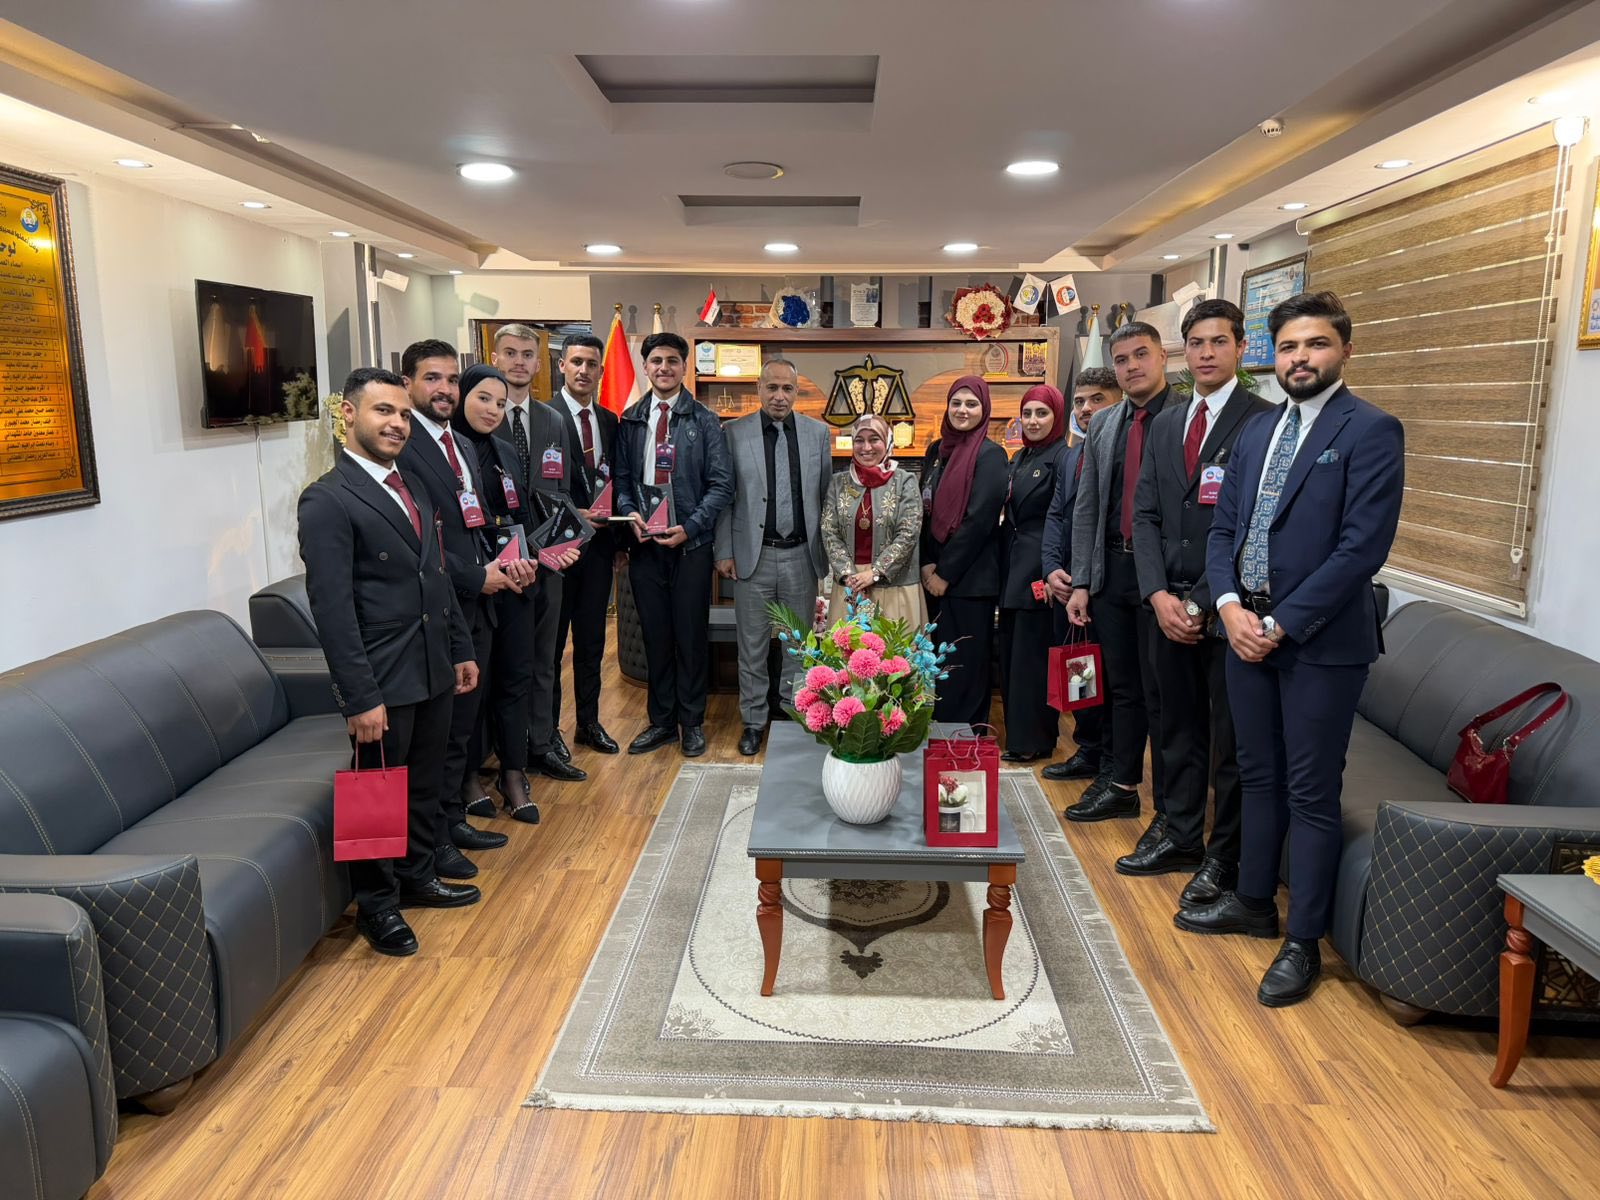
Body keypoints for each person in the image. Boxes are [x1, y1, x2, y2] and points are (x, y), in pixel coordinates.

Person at [1179, 291, 1404, 1009]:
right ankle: (1253, 901)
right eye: (1288, 347)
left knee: (1310, 791)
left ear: (1345, 351)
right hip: (1242, 632)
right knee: (1256, 774)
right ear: (1270, 357)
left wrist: (1278, 623)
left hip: (1319, 644)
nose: (1301, 358)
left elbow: (1360, 551)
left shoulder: (1371, 430)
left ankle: (1303, 940)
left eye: (1316, 344)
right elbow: (1225, 530)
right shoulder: (1258, 429)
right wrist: (1227, 607)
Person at [297, 367, 481, 957]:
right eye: (384, 411)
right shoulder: (327, 499)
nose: (397, 423)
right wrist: (360, 697)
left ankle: (418, 875)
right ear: (349, 415)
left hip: (432, 665)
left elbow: (436, 576)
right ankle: (377, 906)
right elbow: (333, 610)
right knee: (373, 794)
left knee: (425, 782)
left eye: (403, 413)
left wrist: (459, 649)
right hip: (381, 675)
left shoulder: (413, 487)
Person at [1123, 300, 1274, 902]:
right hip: (1166, 603)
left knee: (1229, 741)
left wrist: (1202, 602)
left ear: (1241, 347)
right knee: (1176, 729)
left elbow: (1254, 524)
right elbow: (1146, 514)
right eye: (1196, 343)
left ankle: (1223, 857)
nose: (1206, 353)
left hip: (1229, 609)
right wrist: (1158, 593)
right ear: (1183, 351)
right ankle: (1180, 833)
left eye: (1218, 342)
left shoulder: (1264, 421)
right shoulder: (1167, 423)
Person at [398, 340, 527, 877]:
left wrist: (506, 563)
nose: (445, 389)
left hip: (473, 608)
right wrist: (478, 576)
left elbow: (471, 525)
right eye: (432, 378)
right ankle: (426, 849)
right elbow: (417, 540)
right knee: (437, 737)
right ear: (407, 384)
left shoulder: (462, 446)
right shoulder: (402, 449)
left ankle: (450, 821)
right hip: (433, 612)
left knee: (460, 728)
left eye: (452, 379)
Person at [1066, 323, 1174, 843]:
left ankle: (1172, 816)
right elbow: (1088, 505)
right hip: (1112, 569)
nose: (1132, 366)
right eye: (1122, 359)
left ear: (1163, 357)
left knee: (1163, 695)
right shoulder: (1107, 422)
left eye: (1141, 355)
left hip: (1165, 579)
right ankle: (1122, 784)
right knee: (1122, 688)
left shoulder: (1184, 416)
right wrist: (1082, 581)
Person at [612, 331, 734, 757]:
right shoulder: (630, 419)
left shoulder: (704, 420)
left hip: (690, 547)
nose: (664, 367)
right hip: (644, 546)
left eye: (672, 361)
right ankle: (662, 722)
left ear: (684, 367)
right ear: (645, 367)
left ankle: (692, 721)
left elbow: (721, 485)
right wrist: (630, 513)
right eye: (656, 361)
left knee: (690, 636)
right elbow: (621, 480)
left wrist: (691, 527)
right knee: (656, 636)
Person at [714, 359, 832, 757]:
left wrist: (828, 555)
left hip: (802, 555)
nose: (779, 396)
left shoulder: (818, 434)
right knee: (752, 647)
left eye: (787, 388)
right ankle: (753, 721)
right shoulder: (734, 433)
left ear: (797, 392)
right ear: (759, 388)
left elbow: (825, 497)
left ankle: (792, 715)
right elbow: (725, 496)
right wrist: (724, 550)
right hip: (754, 556)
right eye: (772, 387)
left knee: (798, 645)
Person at [451, 363, 546, 826]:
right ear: (462, 396)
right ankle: (469, 777)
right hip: (473, 589)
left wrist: (532, 559)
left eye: (501, 403)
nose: (492, 409)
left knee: (515, 679)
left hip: (515, 584)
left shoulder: (505, 451)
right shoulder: (448, 452)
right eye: (483, 398)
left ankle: (512, 773)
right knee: (478, 686)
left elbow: (519, 516)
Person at [490, 324, 586, 784]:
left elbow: (560, 491)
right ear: (495, 357)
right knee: (506, 663)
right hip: (500, 563)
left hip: (549, 560)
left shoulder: (552, 420)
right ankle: (505, 752)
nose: (519, 362)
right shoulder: (482, 416)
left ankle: (543, 745)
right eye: (510, 353)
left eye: (527, 354)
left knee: (546, 657)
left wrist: (562, 545)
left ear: (539, 361)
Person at [1041, 369, 1120, 782]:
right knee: (1079, 670)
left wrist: (1086, 579)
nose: (1086, 408)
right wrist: (1051, 569)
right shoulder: (1070, 456)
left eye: (1097, 399)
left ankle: (1112, 763)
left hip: (1105, 585)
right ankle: (1088, 749)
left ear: (1118, 401)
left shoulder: (1123, 450)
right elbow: (1056, 516)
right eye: (1080, 401)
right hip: (1067, 585)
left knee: (1110, 677)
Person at [546, 333, 622, 756]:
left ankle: (588, 724)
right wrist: (573, 513)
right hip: (557, 550)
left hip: (599, 550)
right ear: (562, 365)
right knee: (553, 647)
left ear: (600, 371)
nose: (583, 370)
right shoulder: (543, 417)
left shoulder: (609, 420)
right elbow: (536, 486)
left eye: (591, 364)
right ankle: (548, 732)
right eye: (576, 362)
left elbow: (615, 481)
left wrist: (621, 542)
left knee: (592, 643)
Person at [920, 377, 1008, 728]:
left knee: (965, 666)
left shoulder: (991, 455)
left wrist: (945, 573)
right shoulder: (936, 451)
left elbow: (979, 521)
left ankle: (965, 739)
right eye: (956, 403)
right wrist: (927, 563)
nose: (962, 410)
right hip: (932, 577)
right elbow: (923, 511)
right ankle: (939, 734)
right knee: (937, 665)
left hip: (970, 581)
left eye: (972, 404)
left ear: (984, 409)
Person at [998, 384, 1071, 762]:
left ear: (1056, 417)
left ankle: (1034, 740)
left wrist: (1055, 569)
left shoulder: (1064, 458)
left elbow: (1065, 520)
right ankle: (1019, 736)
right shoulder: (1021, 456)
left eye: (1042, 413)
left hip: (1041, 570)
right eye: (1027, 413)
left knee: (1033, 661)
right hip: (1014, 566)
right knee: (1013, 657)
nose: (1033, 420)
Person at [820, 413, 925, 629]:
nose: (866, 447)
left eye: (874, 439)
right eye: (859, 440)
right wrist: (849, 575)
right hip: (851, 585)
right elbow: (829, 530)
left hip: (894, 585)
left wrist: (875, 573)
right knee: (847, 648)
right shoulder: (838, 483)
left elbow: (908, 533)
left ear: (887, 442)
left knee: (893, 648)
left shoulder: (905, 481)